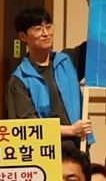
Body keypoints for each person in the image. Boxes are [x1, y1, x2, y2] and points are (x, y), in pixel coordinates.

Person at [8, 12, 92, 154]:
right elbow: (28, 127)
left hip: (79, 148)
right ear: (23, 36)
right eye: (38, 29)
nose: (46, 34)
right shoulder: (19, 79)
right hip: (45, 152)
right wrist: (71, 130)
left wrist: (92, 4)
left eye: (48, 27)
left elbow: (96, 46)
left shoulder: (67, 61)